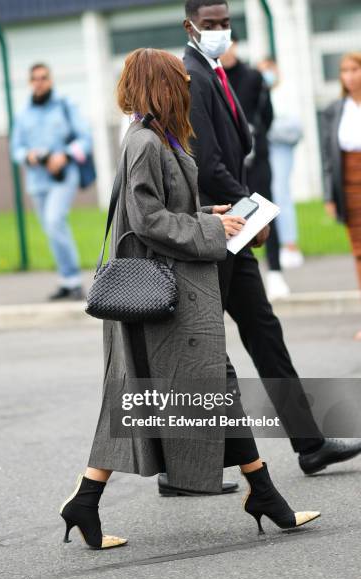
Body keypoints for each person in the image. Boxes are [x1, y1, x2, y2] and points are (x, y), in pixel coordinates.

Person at [59, 48, 320, 549]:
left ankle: (88, 502)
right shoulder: (145, 142)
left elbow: (163, 206)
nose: (187, 87)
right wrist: (210, 227)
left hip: (178, 291)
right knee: (178, 392)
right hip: (166, 294)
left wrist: (208, 210)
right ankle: (263, 494)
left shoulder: (156, 137)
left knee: (195, 389)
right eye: (179, 80)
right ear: (161, 86)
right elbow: (147, 220)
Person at [174, 0, 361, 495]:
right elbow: (208, 163)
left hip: (232, 230)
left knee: (263, 332)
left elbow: (236, 144)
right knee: (202, 349)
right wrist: (250, 212)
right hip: (216, 230)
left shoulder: (215, 70)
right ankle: (179, 470)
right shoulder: (193, 76)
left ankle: (310, 443)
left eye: (225, 23)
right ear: (189, 26)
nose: (219, 31)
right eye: (209, 24)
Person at [11, 63, 93, 300]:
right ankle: (66, 282)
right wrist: (28, 155)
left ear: (51, 80)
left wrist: (65, 155)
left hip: (63, 175)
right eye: (35, 78)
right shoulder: (23, 113)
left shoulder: (65, 106)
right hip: (37, 180)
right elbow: (15, 149)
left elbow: (85, 139)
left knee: (55, 220)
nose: (39, 82)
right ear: (30, 82)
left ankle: (75, 280)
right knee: (51, 229)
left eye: (44, 77)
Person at [221, 35, 290, 300]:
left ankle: (275, 271)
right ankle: (239, 275)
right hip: (228, 162)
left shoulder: (252, 77)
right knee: (234, 216)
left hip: (256, 158)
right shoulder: (214, 79)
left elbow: (267, 115)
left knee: (265, 210)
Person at [321, 52, 361, 341]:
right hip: (348, 188)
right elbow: (328, 158)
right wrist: (330, 196)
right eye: (344, 71)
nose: (349, 76)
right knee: (359, 254)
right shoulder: (336, 109)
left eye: (354, 69)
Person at [258, 58, 305, 270]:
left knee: (281, 194)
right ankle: (273, 246)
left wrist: (268, 128)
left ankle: (290, 245)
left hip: (280, 150)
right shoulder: (258, 93)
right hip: (263, 151)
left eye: (269, 69)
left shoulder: (286, 93)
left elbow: (294, 128)